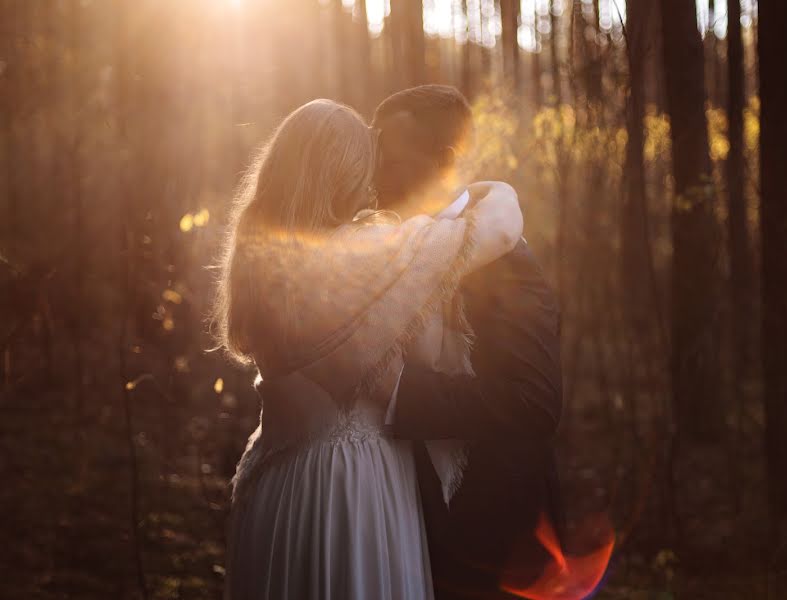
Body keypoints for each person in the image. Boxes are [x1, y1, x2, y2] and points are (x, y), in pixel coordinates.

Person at [215, 98, 523, 599]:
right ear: (342, 174)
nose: (372, 184)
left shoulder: (258, 265)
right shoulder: (362, 256)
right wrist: (493, 188)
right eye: (365, 169)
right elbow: (501, 228)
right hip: (349, 488)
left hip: (274, 487)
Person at [373, 85, 565, 598]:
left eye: (392, 158)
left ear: (443, 161)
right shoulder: (388, 246)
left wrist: (401, 393)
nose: (376, 173)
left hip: (495, 537)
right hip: (411, 523)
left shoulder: (505, 258)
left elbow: (535, 402)